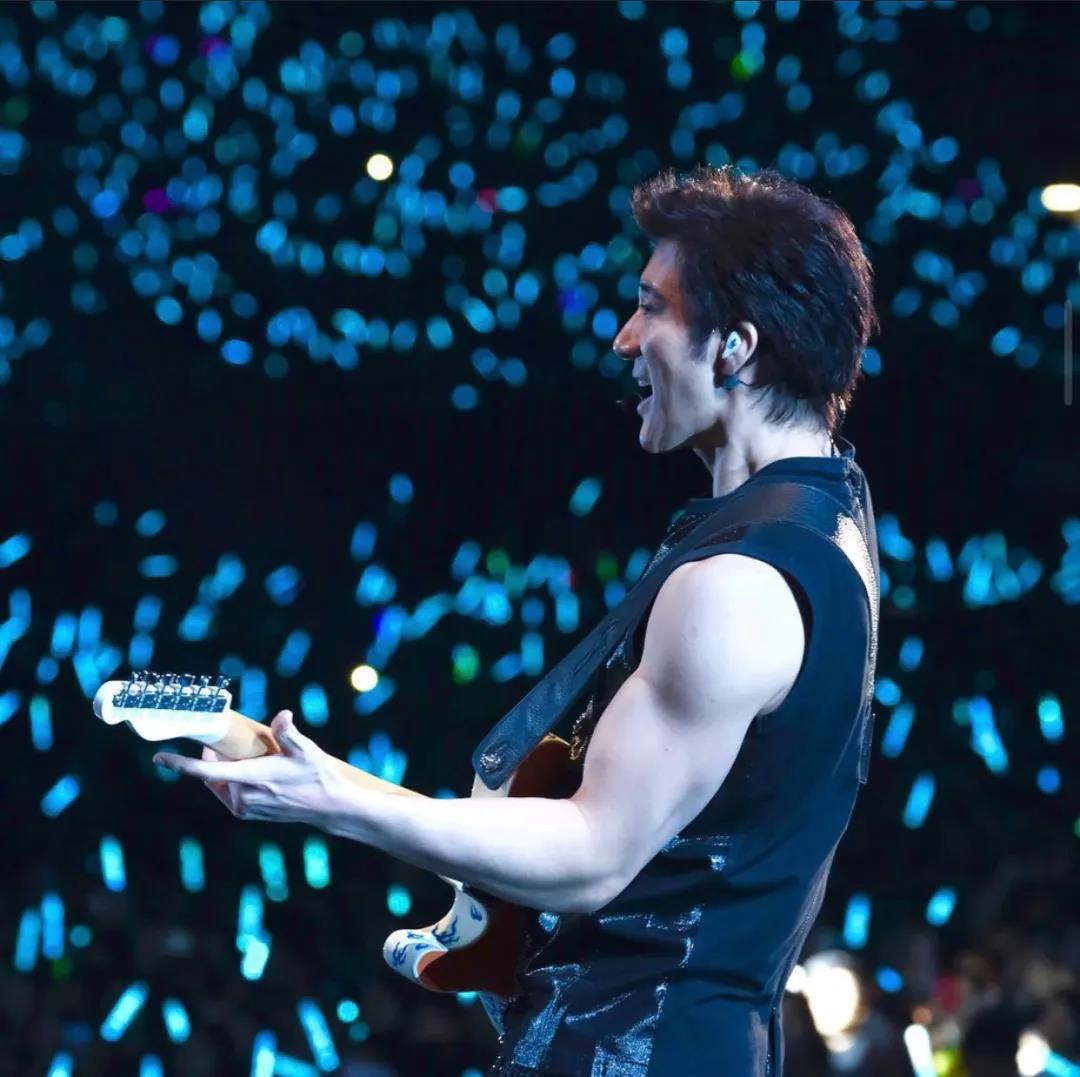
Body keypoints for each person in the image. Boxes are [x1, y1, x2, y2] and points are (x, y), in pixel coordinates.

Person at [155, 163, 881, 1077]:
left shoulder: (738, 583)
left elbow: (594, 852)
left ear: (734, 348)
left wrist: (333, 798)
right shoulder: (830, 518)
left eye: (650, 308)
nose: (623, 337)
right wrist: (334, 786)